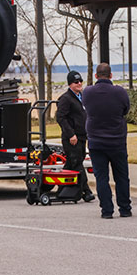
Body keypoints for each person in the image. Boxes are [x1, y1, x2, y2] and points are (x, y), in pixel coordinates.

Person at [82, 63, 132, 219]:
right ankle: (125, 208)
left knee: (101, 177)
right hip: (117, 140)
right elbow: (126, 109)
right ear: (111, 75)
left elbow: (86, 107)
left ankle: (107, 210)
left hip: (96, 141)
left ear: (96, 76)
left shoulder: (88, 92)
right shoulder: (119, 92)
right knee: (122, 176)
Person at [56, 70, 95, 202]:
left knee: (71, 164)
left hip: (82, 136)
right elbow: (60, 118)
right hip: (72, 138)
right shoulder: (65, 99)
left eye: (80, 81)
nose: (79, 84)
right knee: (77, 162)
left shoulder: (82, 97)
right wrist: (71, 134)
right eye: (76, 82)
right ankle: (86, 191)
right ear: (70, 84)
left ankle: (60, 189)